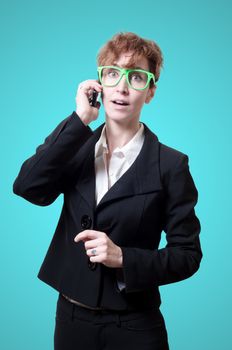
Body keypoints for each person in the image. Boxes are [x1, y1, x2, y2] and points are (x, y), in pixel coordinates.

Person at [13, 32, 202, 350]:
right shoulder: (75, 145)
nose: (123, 87)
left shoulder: (171, 165)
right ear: (100, 82)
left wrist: (123, 258)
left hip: (135, 324)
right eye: (113, 73)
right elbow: (29, 188)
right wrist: (79, 119)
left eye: (137, 77)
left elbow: (188, 255)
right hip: (71, 319)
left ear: (151, 91)